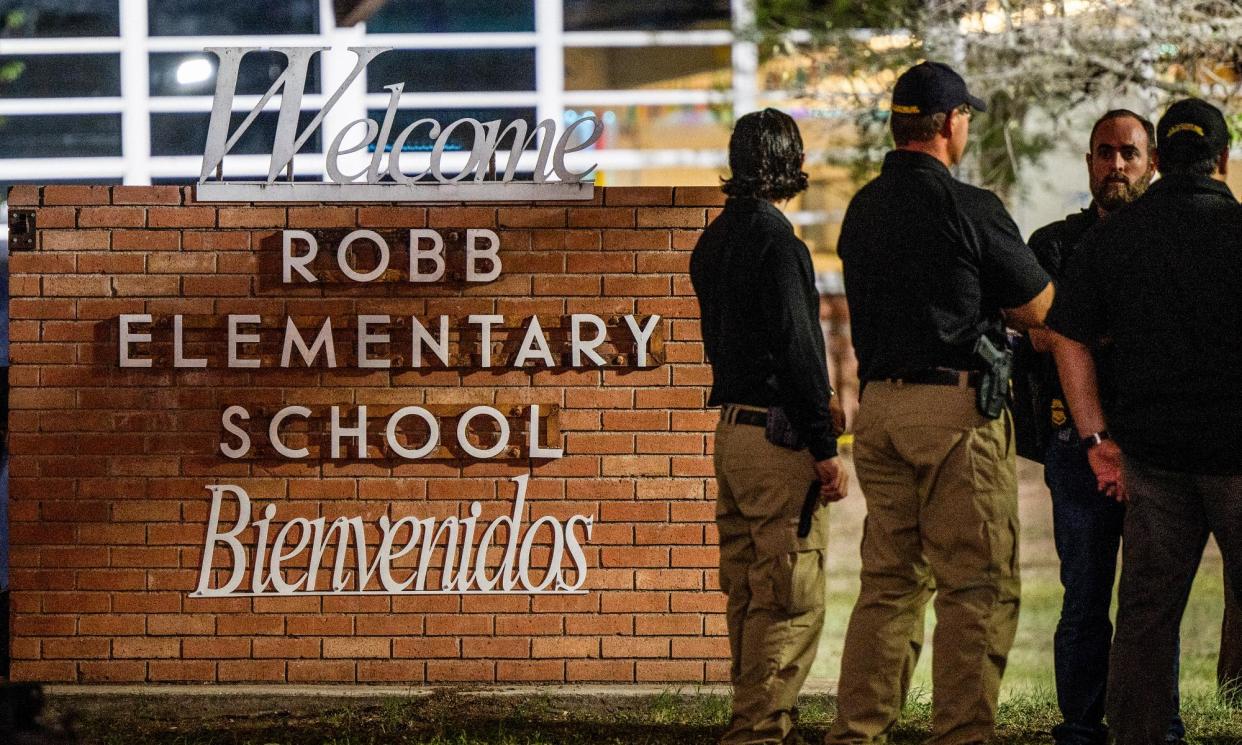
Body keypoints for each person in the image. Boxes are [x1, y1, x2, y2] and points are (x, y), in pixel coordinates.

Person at [825, 61, 1053, 745]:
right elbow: (1040, 306)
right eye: (966, 119)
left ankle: (857, 732)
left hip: (881, 412)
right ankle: (960, 734)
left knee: (889, 585)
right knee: (976, 588)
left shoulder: (861, 209)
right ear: (950, 123)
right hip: (953, 414)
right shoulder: (970, 207)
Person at [1044, 97, 1242, 745]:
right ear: (1222, 159)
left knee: (1146, 621)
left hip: (1152, 464)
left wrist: (1097, 438)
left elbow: (1066, 335)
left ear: (1157, 159)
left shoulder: (1113, 238)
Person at [1022, 110, 1188, 745]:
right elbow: (1033, 331)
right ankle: (1081, 728)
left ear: (1152, 163)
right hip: (1077, 448)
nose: (1116, 165)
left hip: (1157, 448)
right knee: (1085, 595)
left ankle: (1156, 728)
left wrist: (1079, 333)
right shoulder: (1055, 245)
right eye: (1104, 153)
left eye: (1129, 154)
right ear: (1088, 161)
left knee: (1155, 603)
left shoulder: (1171, 242)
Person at [690, 108, 849, 745]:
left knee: (749, 591)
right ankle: (759, 728)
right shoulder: (779, 244)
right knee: (789, 593)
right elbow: (799, 350)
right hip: (778, 437)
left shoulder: (714, 240)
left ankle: (751, 715)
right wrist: (824, 445)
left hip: (731, 433)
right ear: (791, 161)